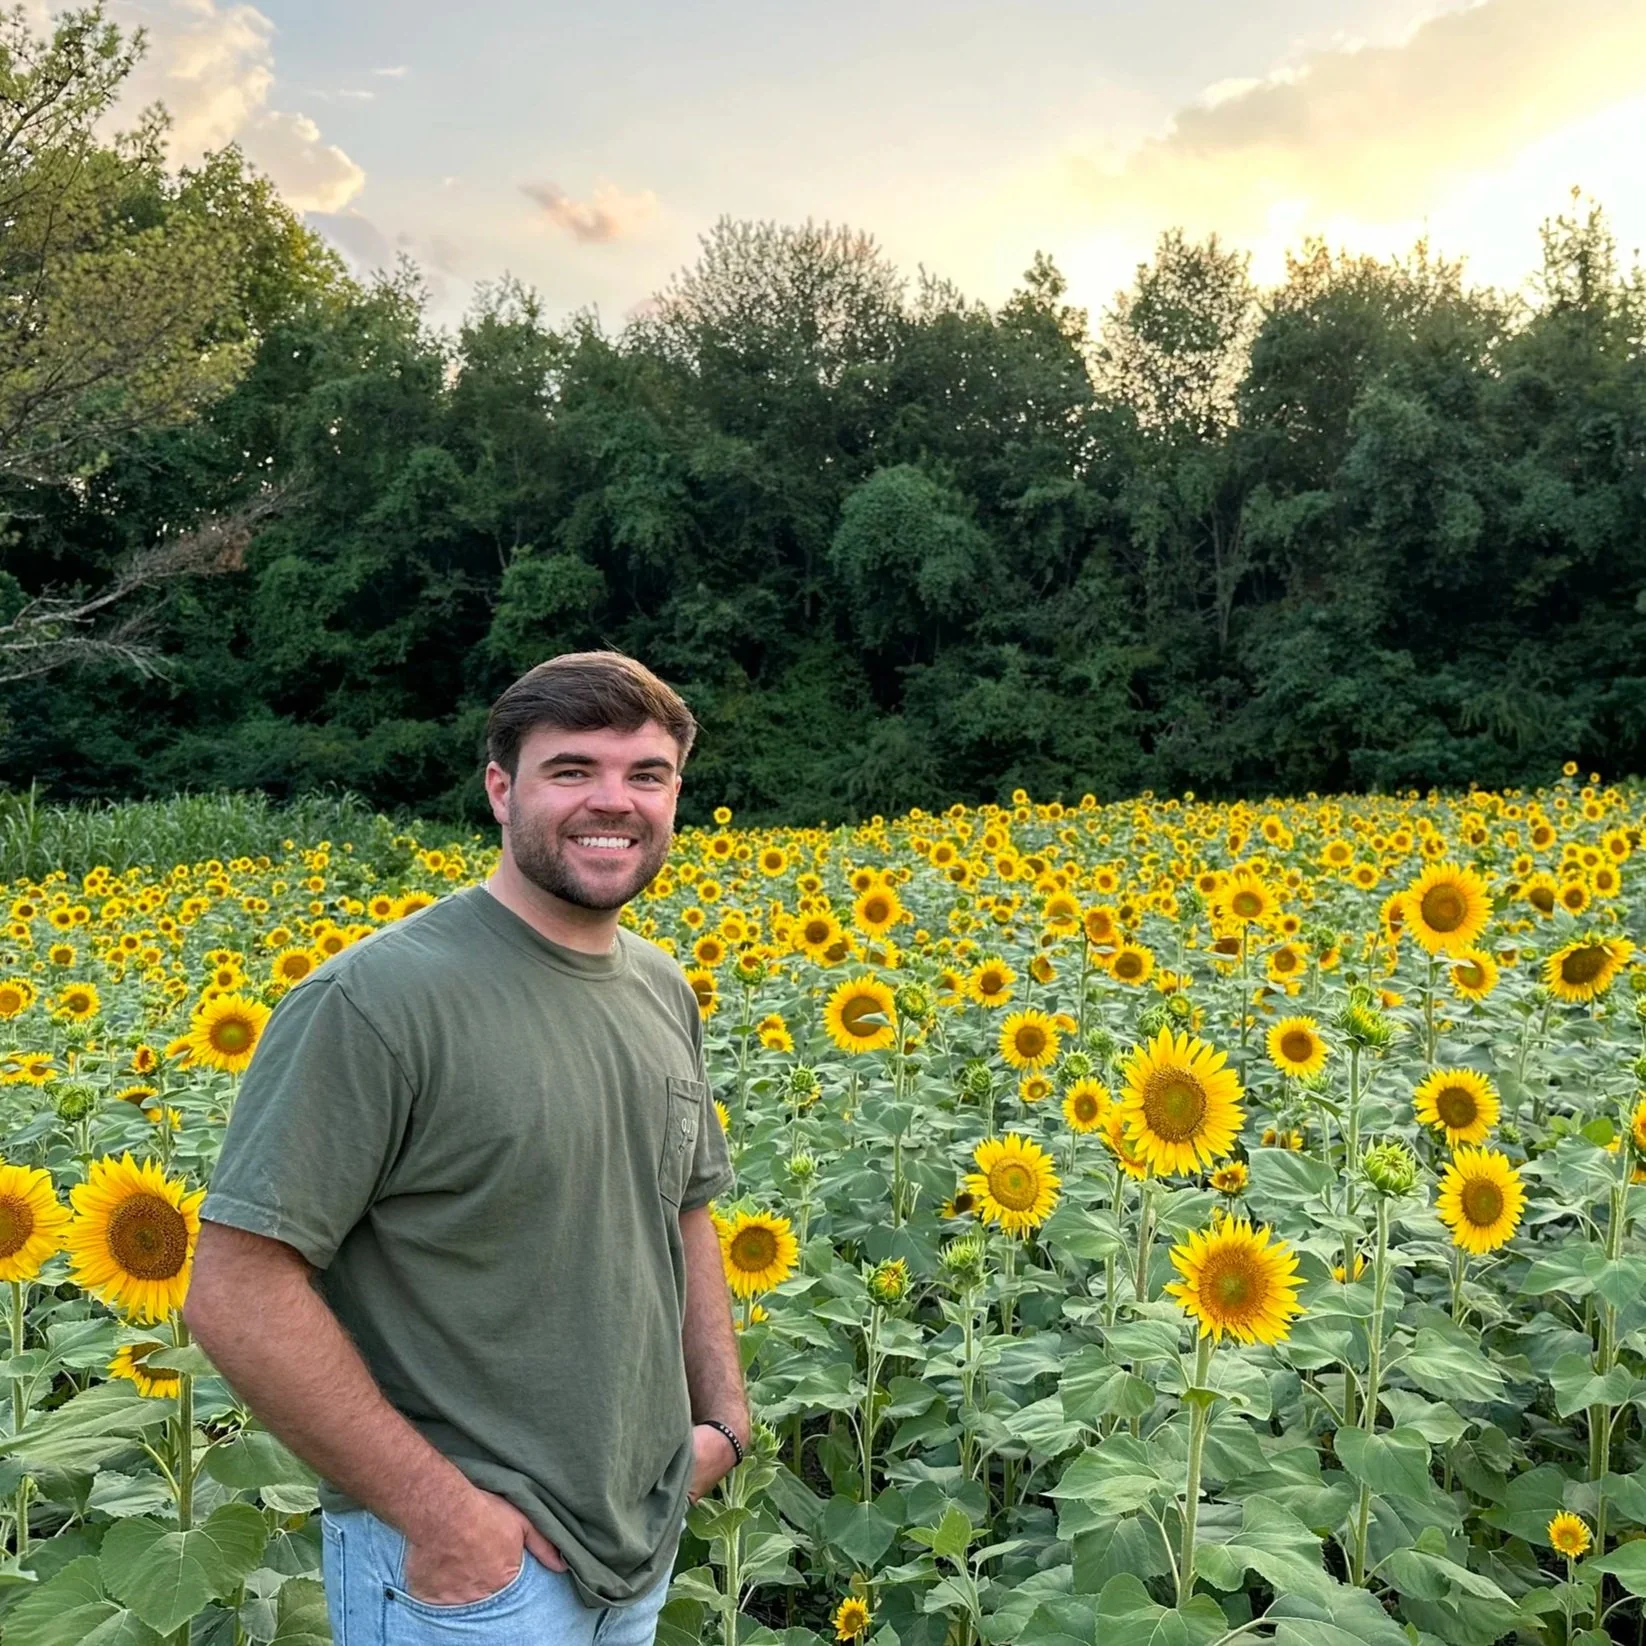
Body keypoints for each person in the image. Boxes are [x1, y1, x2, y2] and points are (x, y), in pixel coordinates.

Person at [183, 651, 747, 1646]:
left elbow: (682, 1208)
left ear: (675, 793)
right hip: (475, 1579)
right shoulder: (375, 1001)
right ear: (500, 787)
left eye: (645, 774)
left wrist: (721, 1426)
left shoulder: (661, 985)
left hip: (637, 1539)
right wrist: (446, 1520)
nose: (612, 801)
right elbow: (237, 1289)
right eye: (571, 769)